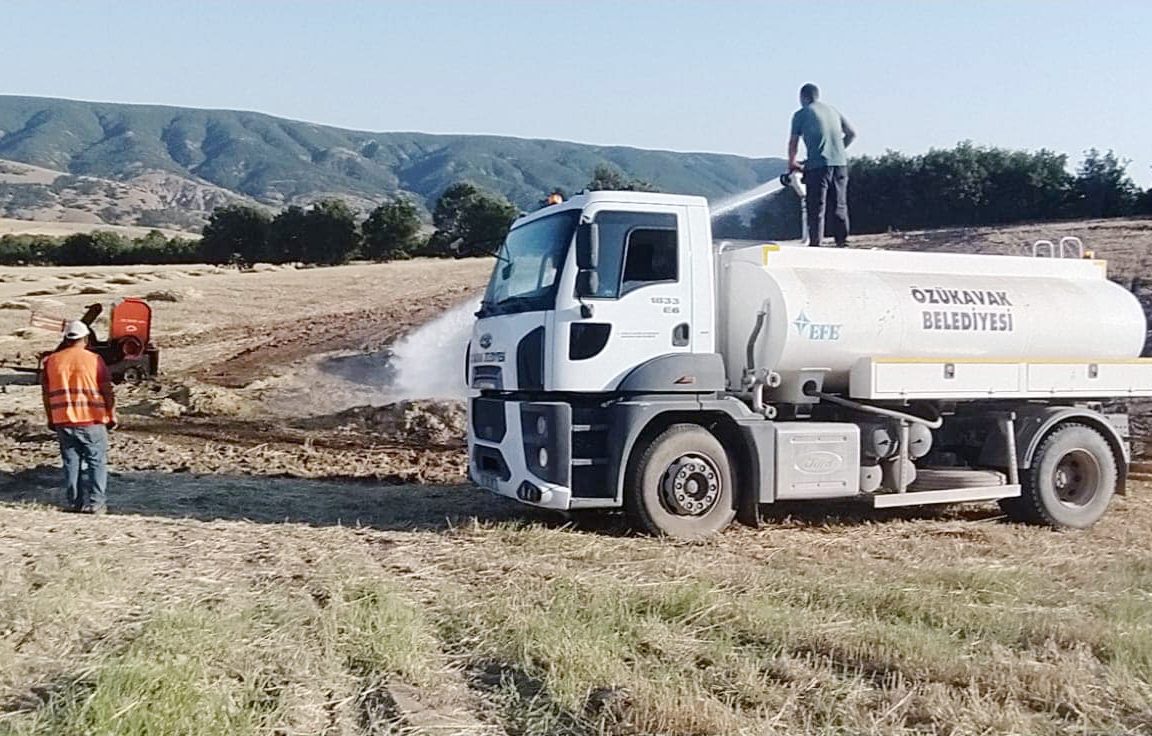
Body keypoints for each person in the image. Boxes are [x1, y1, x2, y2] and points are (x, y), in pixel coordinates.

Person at [40, 320, 117, 514]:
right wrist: (112, 414)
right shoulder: (94, 359)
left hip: (62, 419)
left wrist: (51, 418)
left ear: (66, 339)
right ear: (86, 339)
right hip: (92, 419)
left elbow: (46, 393)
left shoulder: (51, 361)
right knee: (96, 461)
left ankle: (74, 502)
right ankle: (96, 503)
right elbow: (107, 390)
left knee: (71, 462)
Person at [788, 83, 856, 247]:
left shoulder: (801, 114)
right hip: (840, 163)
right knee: (839, 204)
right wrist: (839, 148)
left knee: (816, 206)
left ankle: (816, 243)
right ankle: (842, 241)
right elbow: (852, 134)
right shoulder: (833, 110)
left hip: (818, 166)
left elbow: (793, 142)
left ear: (803, 97)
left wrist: (792, 162)